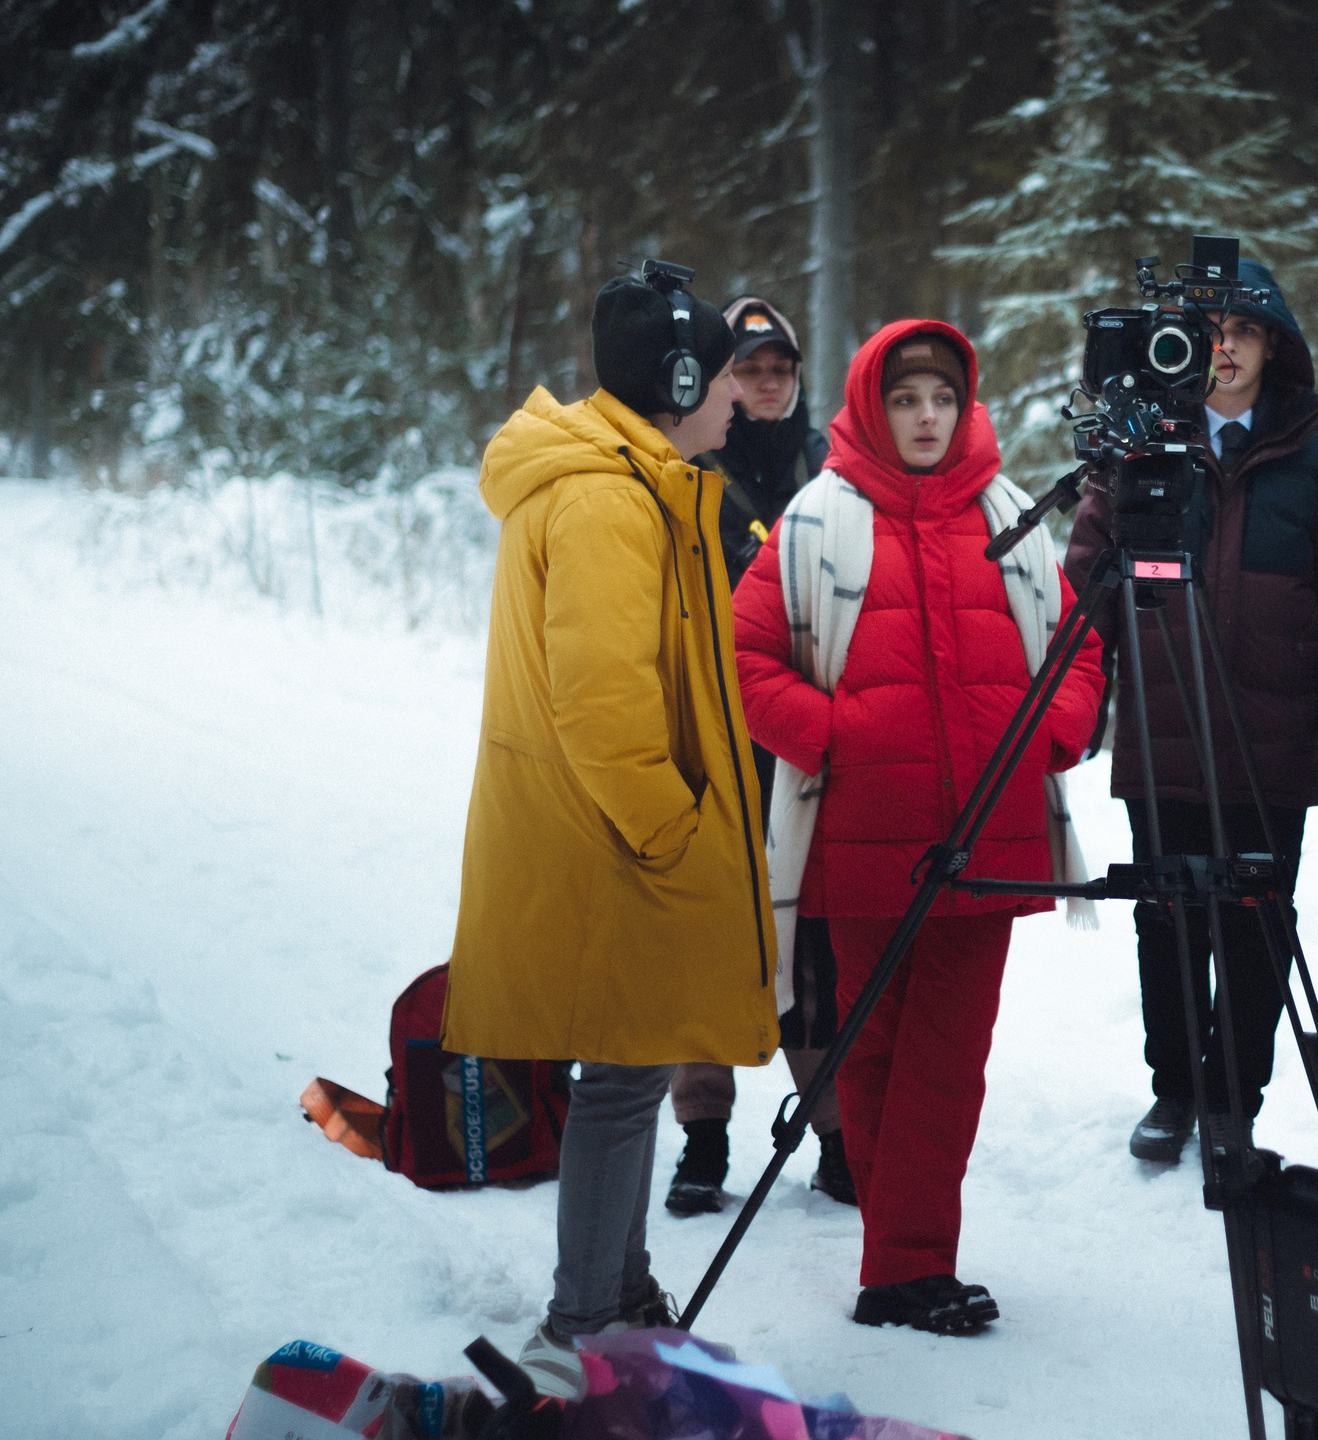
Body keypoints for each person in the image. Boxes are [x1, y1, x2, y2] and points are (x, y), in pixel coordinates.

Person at [732, 319, 1105, 1334]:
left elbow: (1076, 645)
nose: (926, 417)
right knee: (877, 1051)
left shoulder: (1012, 513)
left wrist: (1052, 736)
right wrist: (835, 737)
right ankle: (898, 1262)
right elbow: (751, 655)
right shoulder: (818, 519)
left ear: (965, 401)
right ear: (870, 406)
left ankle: (905, 1267)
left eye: (940, 398)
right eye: (905, 400)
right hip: (864, 842)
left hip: (989, 841)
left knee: (946, 1060)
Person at [440, 263, 770, 1397]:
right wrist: (671, 826)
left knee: (629, 1072)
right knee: (625, 1081)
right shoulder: (603, 500)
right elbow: (602, 700)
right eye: (725, 376)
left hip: (613, 841)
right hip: (615, 844)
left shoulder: (634, 480)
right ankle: (583, 1326)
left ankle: (617, 1298)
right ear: (679, 380)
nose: (738, 396)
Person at [1062, 257, 1318, 1163]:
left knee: (1256, 923)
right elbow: (1085, 593)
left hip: (1270, 742)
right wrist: (1070, 721)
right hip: (1162, 731)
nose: (1225, 349)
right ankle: (1176, 1088)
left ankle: (1234, 1102)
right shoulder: (1141, 439)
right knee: (1166, 918)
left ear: (1274, 345)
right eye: (1209, 333)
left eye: (1243, 331)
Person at [665, 295, 849, 1218]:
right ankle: (702, 1138)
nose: (766, 382)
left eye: (780, 367)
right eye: (748, 368)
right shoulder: (689, 469)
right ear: (722, 378)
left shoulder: (835, 466)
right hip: (712, 728)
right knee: (712, 936)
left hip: (811, 730)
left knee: (811, 937)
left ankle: (835, 1130)